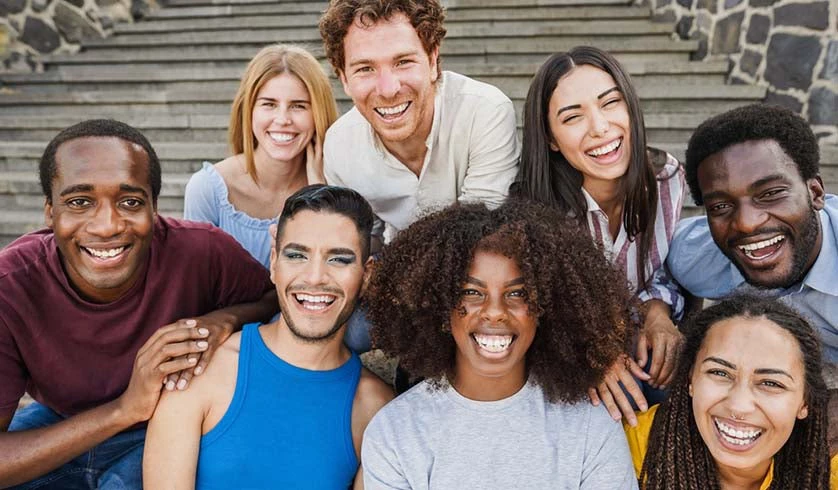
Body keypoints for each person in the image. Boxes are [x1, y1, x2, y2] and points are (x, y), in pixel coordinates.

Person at [0, 119, 276, 488]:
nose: (107, 226)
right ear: (50, 211)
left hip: (165, 423)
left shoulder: (201, 252)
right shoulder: (11, 285)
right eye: (79, 202)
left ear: (154, 207)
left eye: (129, 202)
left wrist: (224, 319)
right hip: (61, 421)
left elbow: (274, 301)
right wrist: (124, 409)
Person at [362, 200, 638, 489]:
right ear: (439, 305)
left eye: (518, 293)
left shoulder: (589, 425)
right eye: (471, 292)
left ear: (548, 306)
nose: (494, 311)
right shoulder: (395, 432)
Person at [144, 185, 394, 489]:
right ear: (274, 262)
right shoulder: (201, 371)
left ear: (366, 276)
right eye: (297, 255)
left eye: (339, 259)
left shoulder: (375, 408)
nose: (315, 277)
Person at [515, 46, 686, 425]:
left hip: (633, 338)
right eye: (573, 117)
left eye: (610, 103)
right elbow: (533, 314)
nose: (600, 127)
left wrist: (657, 315)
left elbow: (656, 274)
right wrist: (593, 353)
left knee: (681, 376)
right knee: (615, 400)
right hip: (562, 351)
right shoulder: (535, 210)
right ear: (553, 139)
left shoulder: (665, 179)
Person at [318, 0, 519, 247]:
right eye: (365, 68)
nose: (388, 89)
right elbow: (360, 247)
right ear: (344, 79)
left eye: (403, 62)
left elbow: (477, 235)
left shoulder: (485, 111)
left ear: (433, 61)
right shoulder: (340, 145)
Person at [666, 104, 838, 363]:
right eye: (721, 206)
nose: (746, 224)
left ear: (815, 193)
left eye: (770, 194)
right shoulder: (698, 256)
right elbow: (655, 261)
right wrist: (659, 313)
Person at [624, 295, 836, 488]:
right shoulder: (634, 448)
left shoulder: (829, 471)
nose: (738, 405)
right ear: (691, 380)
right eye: (719, 372)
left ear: (804, 402)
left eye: (771, 383)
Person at [184, 44, 338, 268]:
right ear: (249, 110)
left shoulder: (338, 184)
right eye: (269, 104)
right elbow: (195, 289)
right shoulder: (207, 189)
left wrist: (319, 194)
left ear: (318, 114)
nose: (283, 119)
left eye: (298, 106)